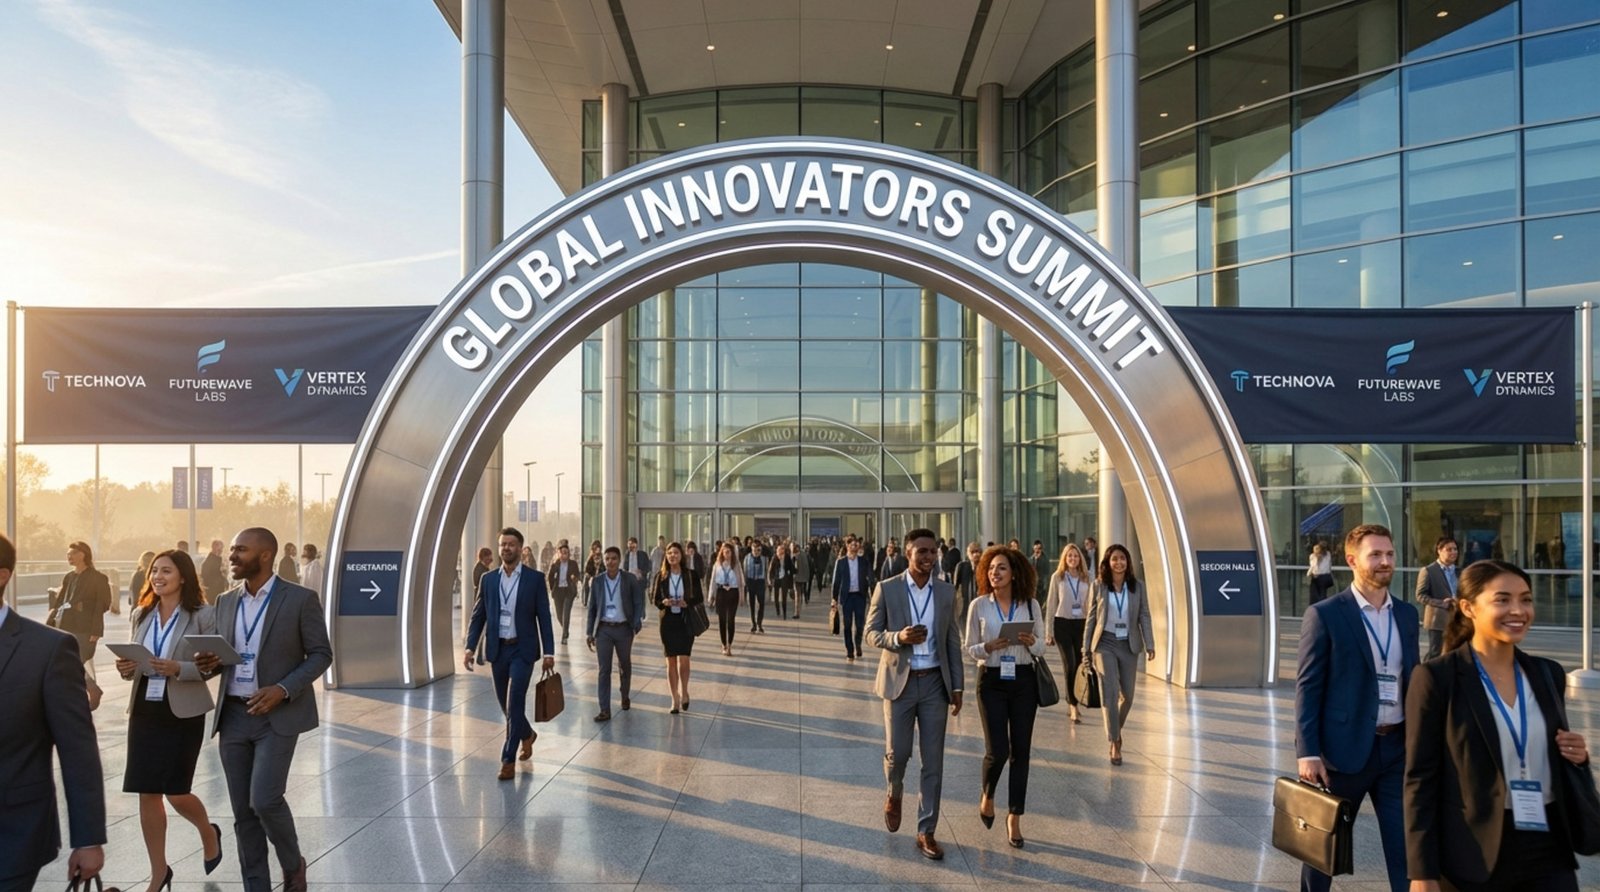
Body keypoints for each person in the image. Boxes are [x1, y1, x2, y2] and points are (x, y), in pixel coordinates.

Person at [1404, 559, 1592, 892]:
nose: (1518, 610)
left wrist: (1577, 756)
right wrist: (1422, 871)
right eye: (1502, 599)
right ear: (1468, 607)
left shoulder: (1548, 674)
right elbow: (1420, 778)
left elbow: (1549, 751)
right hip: (1473, 853)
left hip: (1548, 844)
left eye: (1526, 599)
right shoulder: (1437, 677)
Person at [193, 527, 333, 892]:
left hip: (277, 715)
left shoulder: (300, 599)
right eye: (233, 549)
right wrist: (208, 662)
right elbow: (222, 660)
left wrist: (283, 689)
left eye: (240, 549)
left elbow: (321, 654)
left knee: (264, 799)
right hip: (234, 716)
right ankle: (256, 885)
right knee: (243, 813)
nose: (232, 556)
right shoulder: (225, 601)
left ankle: (292, 864)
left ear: (265, 555)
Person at [1294, 523, 1418, 892]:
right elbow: (1308, 687)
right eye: (1375, 555)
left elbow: (1411, 677)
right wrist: (1308, 752)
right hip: (1341, 754)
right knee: (1321, 853)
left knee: (1407, 850)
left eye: (1390, 554)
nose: (1385, 562)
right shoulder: (1326, 614)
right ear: (1351, 560)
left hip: (1396, 750)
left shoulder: (1407, 615)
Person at [0, 532, 107, 891]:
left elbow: (78, 749)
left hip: (12, 833)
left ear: (2, 574)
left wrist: (89, 838)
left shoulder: (47, 649)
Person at [114, 550, 224, 891]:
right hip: (146, 709)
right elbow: (134, 660)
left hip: (182, 711)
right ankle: (159, 872)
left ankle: (208, 831)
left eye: (166, 571)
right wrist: (126, 668)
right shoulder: (140, 613)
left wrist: (180, 668)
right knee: (147, 793)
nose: (157, 576)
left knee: (176, 792)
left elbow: (216, 664)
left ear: (184, 577)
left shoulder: (203, 615)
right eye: (154, 571)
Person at [865, 528, 964, 861]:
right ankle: (894, 791)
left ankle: (926, 830)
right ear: (907, 553)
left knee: (933, 760)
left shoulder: (947, 592)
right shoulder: (887, 589)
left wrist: (958, 686)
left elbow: (952, 641)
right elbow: (870, 633)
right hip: (899, 682)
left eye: (932, 551)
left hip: (935, 682)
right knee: (899, 753)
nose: (928, 557)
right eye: (921, 551)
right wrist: (898, 637)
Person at [964, 544, 1046, 848]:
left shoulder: (1030, 605)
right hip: (992, 681)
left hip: (1023, 680)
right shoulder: (979, 606)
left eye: (1001, 568)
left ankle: (1015, 817)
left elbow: (1041, 649)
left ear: (1014, 574)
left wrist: (1031, 641)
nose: (994, 573)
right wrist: (987, 648)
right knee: (997, 750)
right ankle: (987, 795)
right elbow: (968, 647)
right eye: (991, 568)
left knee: (1020, 752)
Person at [464, 527, 556, 781]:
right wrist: (470, 647)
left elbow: (544, 618)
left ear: (520, 548)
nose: (506, 548)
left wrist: (549, 651)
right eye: (503, 544)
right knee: (505, 705)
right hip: (498, 649)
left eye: (511, 544)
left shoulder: (535, 579)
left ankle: (507, 759)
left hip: (523, 649)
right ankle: (527, 734)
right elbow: (478, 615)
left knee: (515, 701)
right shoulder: (489, 580)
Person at [1083, 543, 1155, 766]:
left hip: (1129, 644)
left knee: (1129, 697)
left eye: (1122, 558)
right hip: (1105, 643)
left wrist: (1150, 643)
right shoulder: (1099, 586)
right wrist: (1085, 649)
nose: (1119, 562)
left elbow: (1144, 615)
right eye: (1114, 558)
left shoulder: (1137, 587)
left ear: (1128, 562)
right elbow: (1091, 618)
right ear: (1107, 562)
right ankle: (1115, 742)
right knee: (1111, 692)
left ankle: (1116, 729)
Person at [586, 546, 644, 721]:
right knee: (604, 669)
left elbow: (638, 601)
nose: (610, 562)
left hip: (624, 629)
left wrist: (635, 624)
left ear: (619, 561)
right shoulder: (597, 581)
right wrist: (590, 632)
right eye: (607, 559)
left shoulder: (629, 579)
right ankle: (604, 709)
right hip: (604, 630)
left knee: (624, 665)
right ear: (604, 561)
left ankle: (624, 694)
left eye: (613, 558)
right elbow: (592, 608)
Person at [651, 542, 702, 714]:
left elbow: (699, 597)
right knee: (670, 660)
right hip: (668, 622)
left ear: (682, 556)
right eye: (670, 553)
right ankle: (674, 698)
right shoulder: (661, 576)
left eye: (676, 553)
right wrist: (663, 602)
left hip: (685, 620)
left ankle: (684, 690)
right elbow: (654, 598)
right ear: (666, 555)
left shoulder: (690, 575)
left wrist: (686, 602)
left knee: (684, 658)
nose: (673, 556)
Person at [1045, 542, 1092, 724]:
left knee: (1080, 664)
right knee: (1069, 664)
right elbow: (1051, 604)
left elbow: (1092, 604)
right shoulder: (1058, 577)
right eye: (1069, 556)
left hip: (1081, 624)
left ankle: (1075, 699)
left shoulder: (1087, 577)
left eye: (1075, 555)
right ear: (1064, 558)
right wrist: (1049, 632)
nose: (1072, 559)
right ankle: (1073, 705)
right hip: (1062, 624)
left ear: (1080, 558)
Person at [49, 540, 113, 673]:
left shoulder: (98, 577)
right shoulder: (69, 577)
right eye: (68, 554)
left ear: (83, 555)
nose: (69, 557)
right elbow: (60, 602)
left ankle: (87, 689)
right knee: (66, 664)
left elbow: (103, 604)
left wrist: (96, 630)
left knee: (78, 663)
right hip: (64, 627)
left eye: (73, 553)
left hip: (85, 628)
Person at [1415, 535, 1460, 661]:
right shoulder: (1428, 571)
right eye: (1449, 549)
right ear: (1439, 551)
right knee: (1435, 652)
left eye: (1455, 549)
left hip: (1457, 618)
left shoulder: (1460, 572)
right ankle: (1427, 675)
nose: (1453, 552)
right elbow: (1420, 595)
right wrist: (1441, 603)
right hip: (1437, 620)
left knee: (1454, 652)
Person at [833, 536, 876, 663]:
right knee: (847, 625)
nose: (854, 547)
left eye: (856, 545)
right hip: (847, 597)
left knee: (860, 624)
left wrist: (873, 593)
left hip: (859, 596)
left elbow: (870, 578)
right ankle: (849, 650)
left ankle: (858, 644)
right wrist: (834, 598)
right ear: (847, 546)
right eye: (852, 545)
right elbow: (836, 582)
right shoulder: (841, 562)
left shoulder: (863, 561)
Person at [709, 541, 744, 656]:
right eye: (725, 552)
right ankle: (723, 643)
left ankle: (729, 644)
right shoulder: (717, 565)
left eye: (729, 552)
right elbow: (713, 581)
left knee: (731, 619)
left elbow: (741, 582)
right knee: (722, 620)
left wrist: (742, 596)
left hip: (733, 592)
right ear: (722, 552)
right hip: (721, 592)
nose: (727, 554)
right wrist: (711, 596)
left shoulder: (736, 565)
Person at [547, 542, 581, 646]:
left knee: (566, 613)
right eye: (562, 553)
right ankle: (565, 629)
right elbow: (550, 577)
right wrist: (553, 588)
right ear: (558, 553)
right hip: (558, 591)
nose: (564, 555)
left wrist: (574, 578)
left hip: (568, 591)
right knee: (559, 615)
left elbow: (578, 575)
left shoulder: (573, 564)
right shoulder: (555, 564)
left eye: (566, 553)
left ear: (569, 554)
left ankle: (564, 635)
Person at [953, 541, 982, 628]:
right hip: (965, 603)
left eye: (978, 551)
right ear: (968, 553)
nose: (975, 554)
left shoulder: (984, 566)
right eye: (973, 552)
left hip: (980, 602)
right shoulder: (962, 566)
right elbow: (955, 585)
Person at [743, 540, 768, 633]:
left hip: (760, 582)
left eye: (758, 550)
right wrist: (745, 584)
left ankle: (759, 623)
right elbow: (744, 571)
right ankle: (753, 623)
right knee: (752, 604)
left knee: (761, 604)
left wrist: (767, 582)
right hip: (750, 582)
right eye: (754, 550)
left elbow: (766, 571)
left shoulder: (764, 559)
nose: (756, 552)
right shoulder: (747, 558)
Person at [1307, 542, 1334, 606]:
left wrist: (1308, 574)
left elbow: (1313, 567)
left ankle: (1318, 608)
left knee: (1315, 596)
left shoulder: (1313, 556)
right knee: (1322, 594)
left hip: (1318, 577)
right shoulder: (1328, 554)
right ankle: (1322, 607)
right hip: (1326, 577)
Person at [581, 540, 603, 606]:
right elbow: (587, 568)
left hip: (600, 574)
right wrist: (589, 574)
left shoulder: (602, 556)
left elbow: (603, 567)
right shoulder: (590, 557)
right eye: (595, 548)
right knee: (586, 582)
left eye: (598, 548)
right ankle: (585, 600)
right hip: (591, 574)